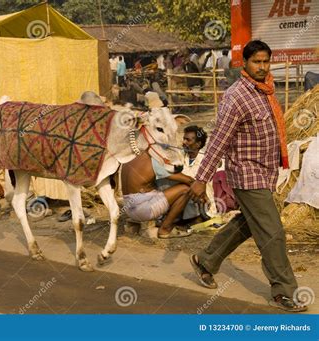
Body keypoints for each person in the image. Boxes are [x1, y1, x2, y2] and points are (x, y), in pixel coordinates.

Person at [188, 40, 307, 312]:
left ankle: (205, 261)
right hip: (246, 174)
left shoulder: (265, 90)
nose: (262, 67)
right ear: (244, 63)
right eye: (257, 62)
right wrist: (201, 178)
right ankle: (283, 292)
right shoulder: (236, 97)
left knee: (248, 224)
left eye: (266, 61)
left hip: (264, 173)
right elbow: (219, 140)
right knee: (273, 232)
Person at [121, 151, 193, 238]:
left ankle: (162, 219)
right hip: (143, 211)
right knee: (186, 189)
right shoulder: (153, 160)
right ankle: (165, 229)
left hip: (128, 209)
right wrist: (203, 193)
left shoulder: (128, 157)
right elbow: (189, 181)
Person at [181, 125, 217, 220]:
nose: (184, 142)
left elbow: (194, 180)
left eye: (188, 140)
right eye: (184, 139)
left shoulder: (206, 160)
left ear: (198, 144)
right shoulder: (180, 157)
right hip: (184, 204)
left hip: (204, 206)